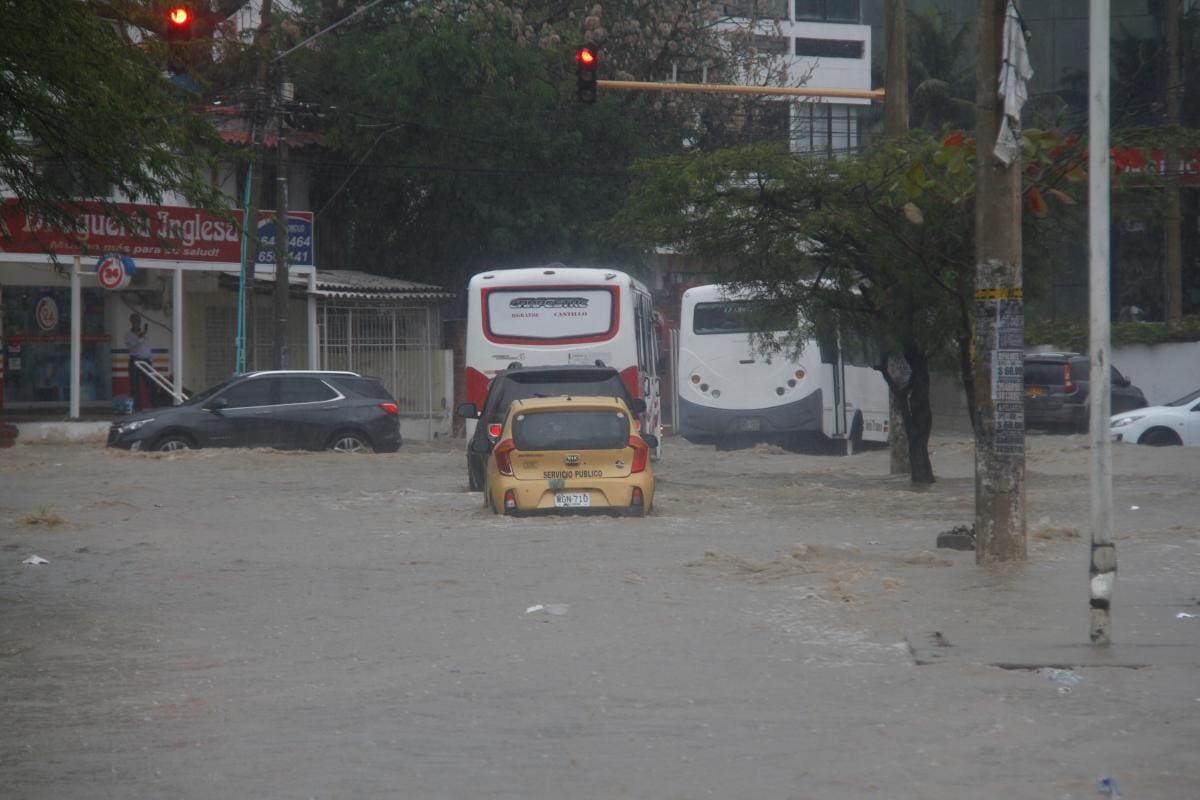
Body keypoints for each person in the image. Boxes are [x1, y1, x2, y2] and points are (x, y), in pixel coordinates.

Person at [126, 313, 152, 411]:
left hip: (146, 360)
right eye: (135, 321)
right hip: (135, 360)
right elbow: (133, 346)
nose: (137, 323)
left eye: (138, 321)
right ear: (132, 322)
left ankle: (154, 405)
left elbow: (146, 347)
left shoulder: (143, 333)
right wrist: (140, 337)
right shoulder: (129, 334)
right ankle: (137, 407)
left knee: (150, 383)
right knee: (135, 385)